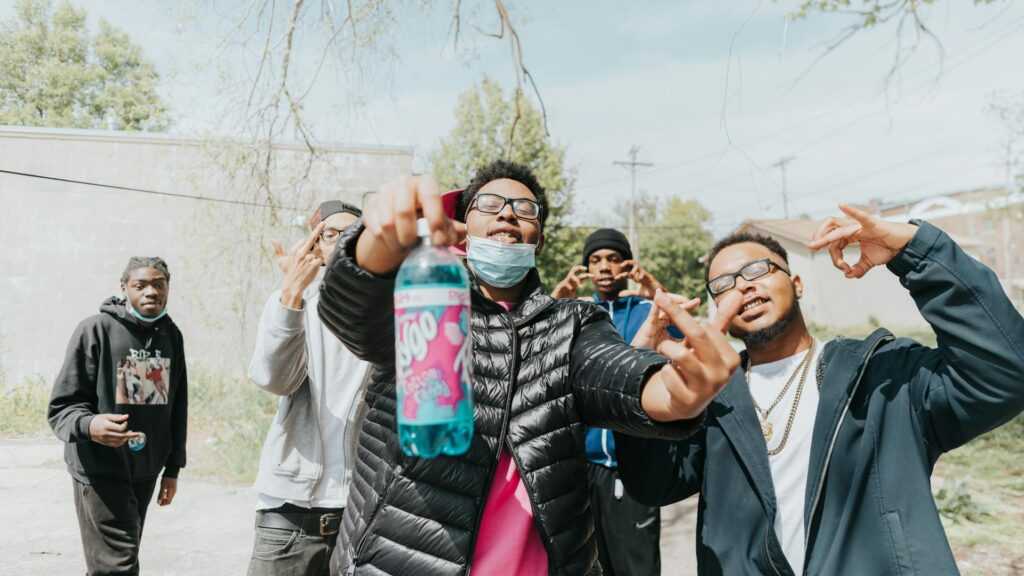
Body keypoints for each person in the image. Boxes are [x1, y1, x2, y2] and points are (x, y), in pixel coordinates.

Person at [317, 160, 744, 576]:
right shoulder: (422, 297)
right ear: (463, 230)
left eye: (525, 208)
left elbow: (619, 375)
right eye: (489, 204)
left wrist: (677, 392)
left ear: (538, 240)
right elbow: (351, 307)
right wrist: (376, 242)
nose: (507, 212)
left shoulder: (573, 323)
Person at [617, 205, 1024, 575]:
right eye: (723, 284)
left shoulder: (881, 375)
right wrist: (637, 375)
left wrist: (916, 251)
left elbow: (1002, 375)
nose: (743, 288)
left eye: (758, 270)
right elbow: (653, 485)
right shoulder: (712, 399)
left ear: (797, 283)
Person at [551, 228, 690, 576]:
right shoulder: (576, 314)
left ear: (626, 265)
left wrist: (652, 286)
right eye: (595, 260)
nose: (604, 268)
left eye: (613, 259)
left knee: (636, 567)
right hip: (583, 467)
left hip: (631, 465)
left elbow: (684, 334)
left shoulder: (644, 309)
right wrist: (558, 295)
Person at [247, 200, 368, 576]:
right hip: (289, 512)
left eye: (356, 233)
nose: (345, 241)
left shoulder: (389, 313)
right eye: (331, 234)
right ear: (315, 246)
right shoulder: (293, 304)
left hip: (360, 511)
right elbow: (273, 378)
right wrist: (291, 295)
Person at [48, 256, 188, 576]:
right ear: (124, 287)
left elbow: (178, 405)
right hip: (100, 468)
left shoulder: (171, 336)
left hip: (145, 469)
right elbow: (62, 407)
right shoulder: (96, 330)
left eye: (159, 284)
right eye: (140, 285)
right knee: (117, 565)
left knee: (112, 560)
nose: (151, 291)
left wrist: (172, 468)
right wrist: (91, 424)